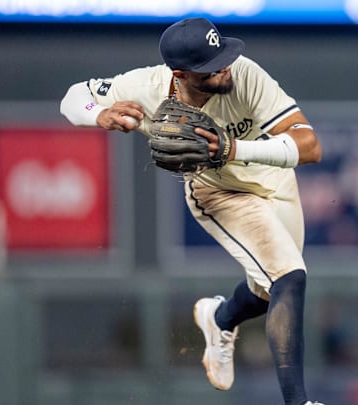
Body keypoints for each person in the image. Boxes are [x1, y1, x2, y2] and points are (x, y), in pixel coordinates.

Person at [60, 17, 324, 405]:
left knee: (270, 291)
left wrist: (235, 149)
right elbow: (72, 95)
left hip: (270, 175)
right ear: (181, 74)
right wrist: (97, 113)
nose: (225, 68)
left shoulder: (244, 73)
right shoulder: (145, 88)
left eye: (224, 57)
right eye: (212, 68)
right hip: (218, 191)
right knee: (289, 276)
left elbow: (310, 146)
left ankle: (220, 319)